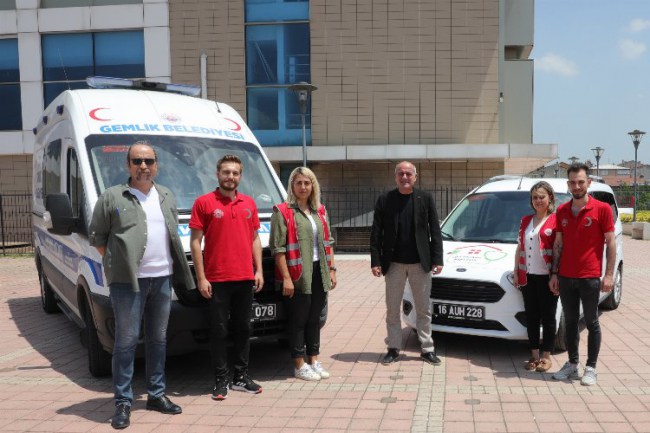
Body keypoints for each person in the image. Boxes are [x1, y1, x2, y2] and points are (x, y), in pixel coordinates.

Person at [89, 141, 194, 430]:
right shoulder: (112, 196)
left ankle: (156, 395)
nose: (143, 166)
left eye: (148, 161)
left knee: (158, 339)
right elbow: (98, 238)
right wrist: (118, 264)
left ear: (156, 165)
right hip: (128, 284)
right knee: (125, 341)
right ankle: (123, 401)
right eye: (137, 161)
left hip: (162, 279)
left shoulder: (166, 195)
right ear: (128, 165)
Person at [189, 154, 264, 400]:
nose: (231, 177)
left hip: (245, 278)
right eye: (226, 172)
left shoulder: (249, 203)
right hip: (217, 280)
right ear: (218, 174)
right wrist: (201, 278)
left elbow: (255, 238)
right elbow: (195, 242)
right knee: (219, 331)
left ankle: (241, 377)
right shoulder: (204, 203)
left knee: (244, 328)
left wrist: (259, 270)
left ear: (240, 176)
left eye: (235, 173)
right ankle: (221, 380)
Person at [369, 161, 444, 366]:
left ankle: (427, 349)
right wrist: (375, 261)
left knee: (423, 309)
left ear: (415, 177)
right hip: (393, 264)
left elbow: (434, 230)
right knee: (392, 309)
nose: (404, 177)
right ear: (395, 177)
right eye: (400, 173)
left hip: (421, 263)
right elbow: (376, 232)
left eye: (408, 174)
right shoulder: (385, 200)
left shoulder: (425, 198)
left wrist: (437, 259)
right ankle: (393, 348)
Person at [550, 163, 616, 386]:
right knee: (570, 322)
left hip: (590, 277)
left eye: (580, 182)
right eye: (572, 182)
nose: (576, 186)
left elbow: (611, 243)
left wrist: (609, 275)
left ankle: (591, 368)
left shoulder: (602, 209)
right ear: (568, 184)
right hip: (566, 276)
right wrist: (554, 273)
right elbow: (558, 244)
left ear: (589, 182)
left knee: (591, 321)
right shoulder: (562, 210)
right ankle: (572, 364)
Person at [270, 167, 337, 381]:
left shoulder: (320, 211)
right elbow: (278, 249)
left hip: (319, 271)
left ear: (313, 186)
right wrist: (286, 278)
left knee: (314, 319)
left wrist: (332, 269)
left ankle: (313, 360)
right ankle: (299, 365)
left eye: (307, 183)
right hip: (297, 275)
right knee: (298, 320)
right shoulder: (282, 212)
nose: (303, 187)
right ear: (292, 185)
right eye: (298, 183)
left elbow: (328, 242)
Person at [513, 181, 558, 373]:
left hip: (548, 278)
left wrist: (556, 275)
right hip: (528, 277)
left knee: (548, 318)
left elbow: (559, 250)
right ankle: (534, 355)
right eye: (534, 197)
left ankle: (546, 357)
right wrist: (516, 271)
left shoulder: (555, 220)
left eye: (542, 197)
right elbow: (519, 248)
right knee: (531, 317)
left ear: (550, 198)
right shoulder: (525, 220)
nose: (538, 200)